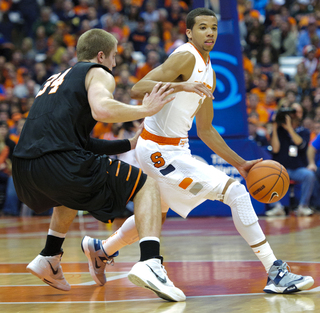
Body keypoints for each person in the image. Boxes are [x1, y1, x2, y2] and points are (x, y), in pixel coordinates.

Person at [99, 8, 314, 294]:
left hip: (177, 149)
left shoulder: (209, 72)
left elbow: (206, 130)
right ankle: (274, 272)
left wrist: (241, 164)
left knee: (155, 214)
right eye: (202, 27)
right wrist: (182, 83)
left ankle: (101, 249)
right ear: (189, 32)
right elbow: (138, 88)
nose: (209, 32)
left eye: (213, 27)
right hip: (158, 151)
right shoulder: (185, 56)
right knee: (235, 193)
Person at [11, 28, 185, 302]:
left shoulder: (54, 80)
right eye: (114, 57)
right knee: (147, 184)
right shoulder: (98, 72)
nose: (115, 64)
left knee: (69, 191)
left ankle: (49, 255)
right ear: (101, 55)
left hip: (23, 170)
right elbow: (102, 109)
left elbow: (77, 142)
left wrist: (127, 144)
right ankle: (151, 261)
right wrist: (145, 110)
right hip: (59, 162)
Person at [267, 103, 316, 216]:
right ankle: (277, 207)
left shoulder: (304, 131)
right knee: (266, 174)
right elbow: (275, 149)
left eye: (295, 112)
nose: (292, 115)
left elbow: (301, 144)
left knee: (309, 175)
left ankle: (303, 206)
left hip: (297, 169)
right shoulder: (278, 131)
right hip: (280, 169)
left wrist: (289, 128)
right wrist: (274, 127)